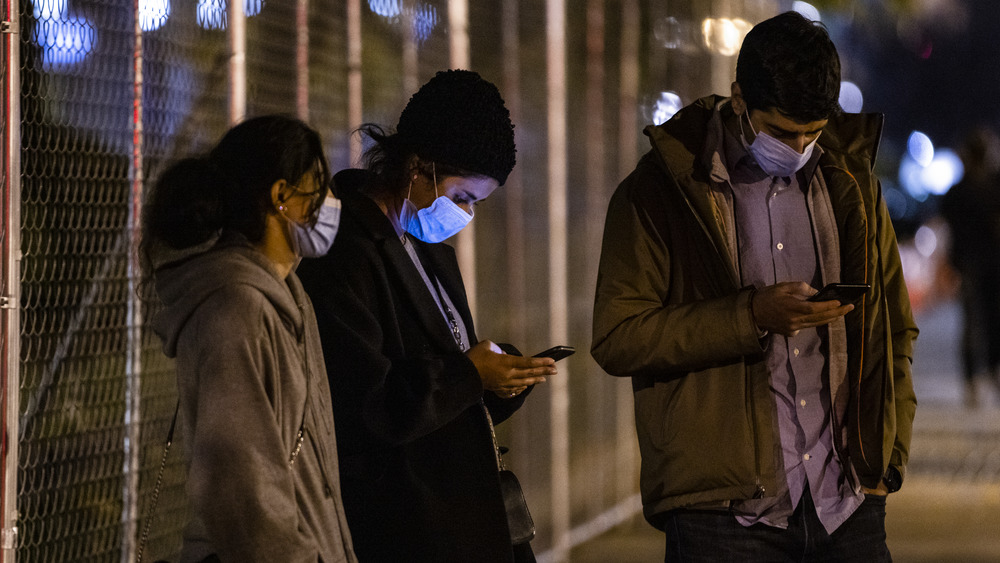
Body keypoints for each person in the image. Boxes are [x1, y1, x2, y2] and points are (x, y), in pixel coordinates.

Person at [591, 12, 918, 561]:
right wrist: (751, 316)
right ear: (739, 98)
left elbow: (896, 326)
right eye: (782, 132)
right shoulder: (661, 189)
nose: (800, 147)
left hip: (848, 503)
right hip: (725, 518)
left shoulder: (852, 184)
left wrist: (888, 461)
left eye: (814, 133)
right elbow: (618, 336)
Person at [297, 69, 555, 563]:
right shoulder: (344, 252)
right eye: (461, 198)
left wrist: (497, 379)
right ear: (417, 166)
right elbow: (363, 406)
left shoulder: (427, 248)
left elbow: (447, 383)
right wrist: (469, 373)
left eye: (475, 204)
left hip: (459, 520)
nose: (464, 215)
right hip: (400, 525)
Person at [142, 115, 356, 562]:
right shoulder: (236, 309)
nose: (330, 201)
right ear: (282, 197)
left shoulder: (289, 298)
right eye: (318, 184)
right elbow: (242, 487)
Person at [939, 126, 1000, 408]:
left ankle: (973, 381)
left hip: (968, 265)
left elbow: (949, 230)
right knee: (991, 321)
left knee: (972, 324)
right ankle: (990, 372)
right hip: (990, 264)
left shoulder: (956, 191)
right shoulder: (994, 185)